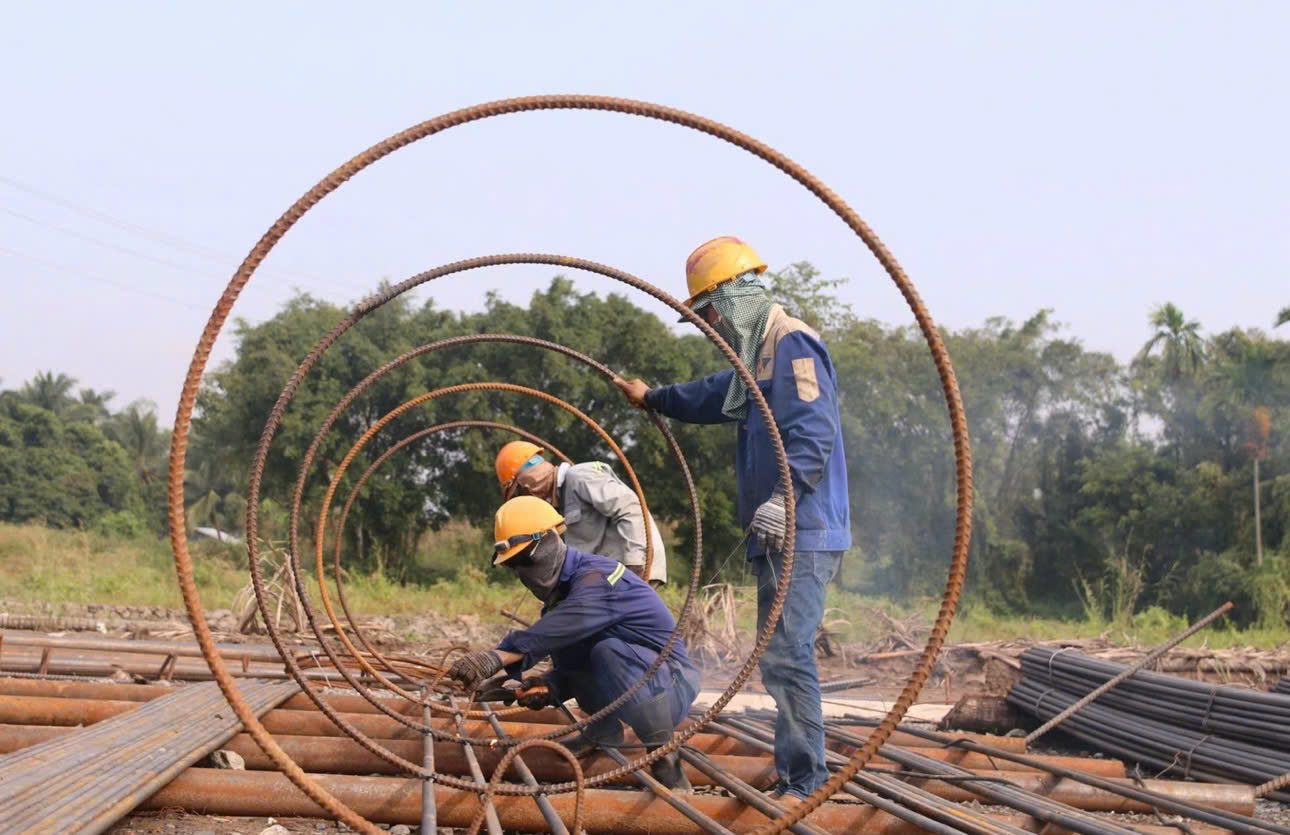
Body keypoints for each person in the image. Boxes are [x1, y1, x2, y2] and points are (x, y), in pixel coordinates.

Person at [613, 235, 851, 806]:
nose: (709, 324)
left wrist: (781, 500)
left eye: (711, 311)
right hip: (780, 532)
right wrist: (655, 398)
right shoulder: (756, 358)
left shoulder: (791, 344)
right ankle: (797, 769)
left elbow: (813, 434)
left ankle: (807, 783)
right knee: (780, 654)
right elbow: (711, 394)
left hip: (802, 528)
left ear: (737, 295)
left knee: (787, 653)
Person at [445, 495, 700, 791]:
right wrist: (549, 686)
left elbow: (564, 629)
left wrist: (495, 658)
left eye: (525, 560)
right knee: (581, 646)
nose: (523, 573)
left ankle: (665, 757)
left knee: (609, 650)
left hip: (672, 685)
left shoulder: (598, 577)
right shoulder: (561, 601)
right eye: (514, 566)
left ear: (550, 542)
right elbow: (577, 659)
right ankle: (603, 730)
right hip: (639, 681)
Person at [494, 440, 668, 586]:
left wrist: (636, 565)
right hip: (613, 573)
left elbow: (630, 508)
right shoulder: (560, 505)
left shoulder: (579, 477)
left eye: (519, 492)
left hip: (634, 565)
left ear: (527, 482)